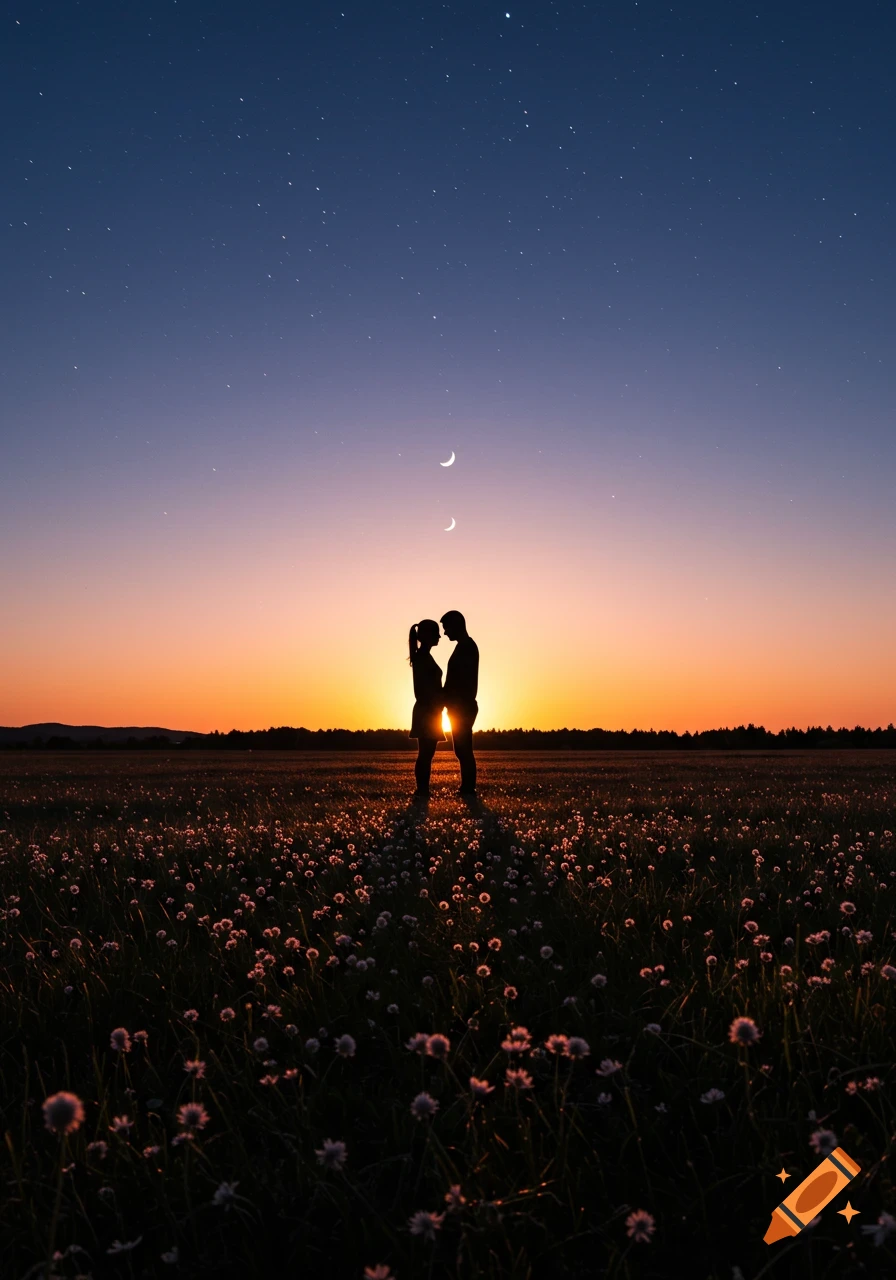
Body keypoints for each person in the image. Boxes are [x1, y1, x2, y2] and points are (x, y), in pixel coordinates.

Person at [440, 610, 479, 795]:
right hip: (459, 705)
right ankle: (467, 787)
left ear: (456, 626)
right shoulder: (464, 646)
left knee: (463, 750)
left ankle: (468, 788)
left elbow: (460, 679)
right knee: (462, 750)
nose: (445, 633)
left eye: (446, 628)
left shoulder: (467, 647)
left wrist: (446, 697)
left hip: (462, 706)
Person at [407, 619, 446, 798]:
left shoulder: (424, 656)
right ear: (426, 635)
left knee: (426, 754)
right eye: (436, 633)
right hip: (427, 711)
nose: (439, 636)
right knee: (425, 754)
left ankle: (423, 790)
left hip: (430, 710)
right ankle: (422, 790)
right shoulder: (422, 657)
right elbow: (423, 689)